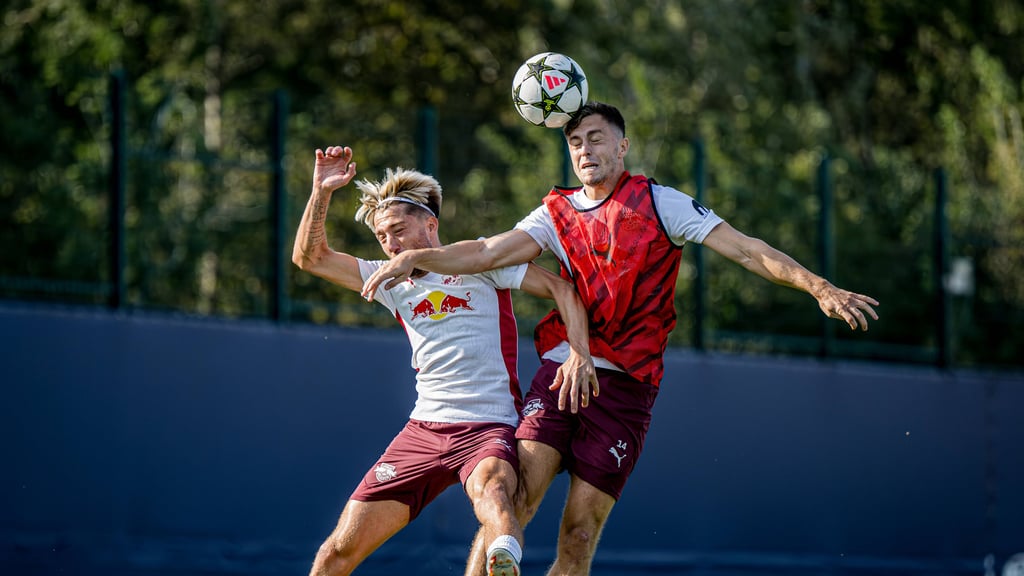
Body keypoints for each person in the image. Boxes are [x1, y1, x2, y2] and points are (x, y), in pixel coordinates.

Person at [360, 102, 881, 576]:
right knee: (513, 506)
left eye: (596, 138)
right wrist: (413, 257)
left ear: (622, 146)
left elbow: (745, 249)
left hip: (628, 388)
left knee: (579, 536)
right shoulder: (554, 214)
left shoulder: (660, 202)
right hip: (563, 372)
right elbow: (485, 253)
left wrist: (818, 286)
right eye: (576, 142)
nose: (586, 150)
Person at [293, 145, 597, 576]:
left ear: (430, 224)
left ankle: (505, 557)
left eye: (398, 230)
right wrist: (321, 191)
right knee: (333, 557)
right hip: (423, 431)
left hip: (488, 425)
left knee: (494, 495)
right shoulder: (388, 280)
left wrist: (579, 353)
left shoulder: (481, 263)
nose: (390, 244)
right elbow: (310, 257)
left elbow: (564, 291)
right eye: (382, 237)